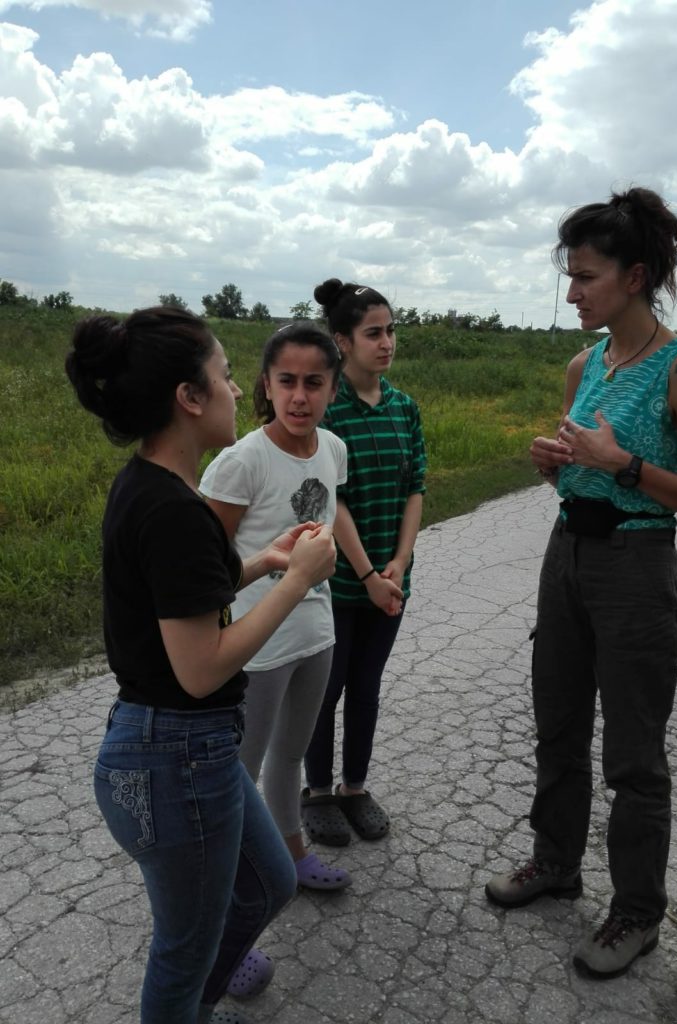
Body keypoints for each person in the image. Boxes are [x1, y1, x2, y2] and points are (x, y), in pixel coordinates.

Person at [484, 187, 677, 979]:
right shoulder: (582, 363)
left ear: (633, 276)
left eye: (585, 276)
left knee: (633, 754)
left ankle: (637, 912)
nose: (572, 293)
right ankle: (555, 862)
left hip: (637, 564)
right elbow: (575, 471)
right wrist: (555, 465)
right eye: (569, 275)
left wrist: (620, 463)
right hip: (569, 556)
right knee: (557, 724)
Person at [65, 307, 337, 1024]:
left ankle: (196, 1003)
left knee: (268, 884)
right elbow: (201, 668)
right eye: (223, 376)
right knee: (182, 950)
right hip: (174, 756)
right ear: (188, 397)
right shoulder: (174, 510)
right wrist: (296, 581)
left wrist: (260, 562)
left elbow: (182, 602)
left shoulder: (155, 486)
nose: (237, 392)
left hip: (184, 749)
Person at [200, 321, 351, 892]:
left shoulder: (334, 449)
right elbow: (206, 576)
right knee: (241, 770)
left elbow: (333, 520)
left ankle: (290, 851)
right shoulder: (240, 463)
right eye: (286, 380)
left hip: (316, 634)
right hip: (257, 647)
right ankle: (233, 887)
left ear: (333, 388)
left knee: (290, 757)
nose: (299, 396)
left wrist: (365, 572)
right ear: (265, 384)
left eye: (314, 382)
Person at [300, 279, 427, 845]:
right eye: (373, 333)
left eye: (391, 330)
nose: (386, 342)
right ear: (343, 342)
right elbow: (334, 500)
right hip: (338, 583)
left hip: (391, 581)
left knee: (367, 687)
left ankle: (355, 787)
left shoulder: (404, 408)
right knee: (325, 690)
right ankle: (318, 792)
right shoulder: (330, 413)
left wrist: (399, 562)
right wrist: (369, 575)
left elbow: (415, 488)